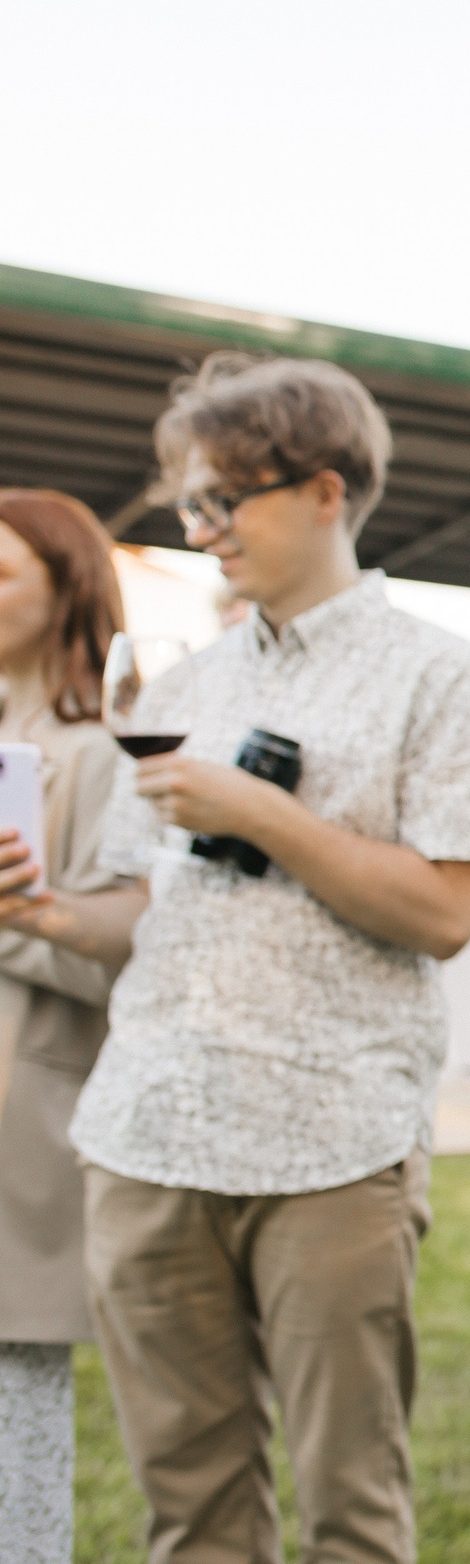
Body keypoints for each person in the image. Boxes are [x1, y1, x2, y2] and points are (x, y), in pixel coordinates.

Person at [71, 354, 470, 1564]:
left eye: (227, 500)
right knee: (191, 1515)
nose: (203, 529)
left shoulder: (440, 672)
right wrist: (40, 916)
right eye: (192, 505)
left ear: (326, 491)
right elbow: (134, 912)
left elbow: (442, 914)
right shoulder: (182, 682)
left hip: (332, 1144)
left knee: (349, 1513)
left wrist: (262, 810)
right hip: (147, 1135)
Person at [0, 491, 148, 1564]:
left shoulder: (100, 753)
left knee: (14, 1448)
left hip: (24, 1124)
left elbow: (125, 958)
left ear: (67, 590)